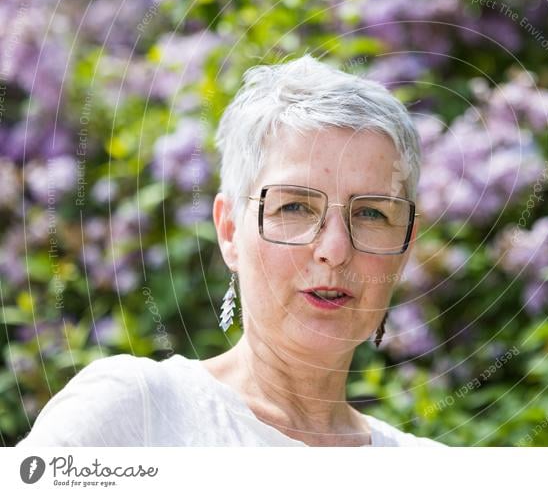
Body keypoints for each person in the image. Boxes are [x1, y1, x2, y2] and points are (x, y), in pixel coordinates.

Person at [18, 56, 444, 447]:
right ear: (229, 231)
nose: (334, 250)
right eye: (294, 206)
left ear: (404, 244)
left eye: (371, 213)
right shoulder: (137, 414)